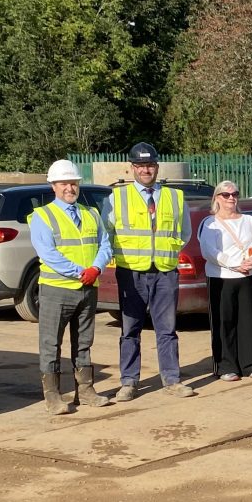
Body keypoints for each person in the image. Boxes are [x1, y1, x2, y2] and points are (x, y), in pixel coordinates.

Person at [103, 142, 195, 401]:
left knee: (167, 329)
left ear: (157, 167)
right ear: (132, 168)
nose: (146, 170)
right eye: (141, 165)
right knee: (130, 329)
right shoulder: (117, 197)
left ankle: (172, 379)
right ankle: (129, 382)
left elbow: (184, 233)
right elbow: (106, 234)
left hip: (165, 271)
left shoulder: (175, 197)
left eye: (150, 165)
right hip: (131, 272)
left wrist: (169, 252)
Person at [30, 160, 113, 414]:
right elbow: (48, 253)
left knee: (84, 341)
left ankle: (85, 390)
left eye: (74, 183)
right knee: (51, 343)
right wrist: (80, 273)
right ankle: (53, 396)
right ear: (53, 186)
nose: (70, 187)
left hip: (88, 288)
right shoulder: (42, 216)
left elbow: (105, 245)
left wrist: (96, 269)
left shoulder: (91, 213)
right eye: (65, 183)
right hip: (57, 289)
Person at [198, 180, 252, 381]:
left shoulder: (248, 220)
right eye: (226, 195)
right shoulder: (209, 223)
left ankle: (249, 364)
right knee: (224, 322)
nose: (231, 198)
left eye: (234, 194)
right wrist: (234, 264)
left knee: (248, 320)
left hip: (249, 276)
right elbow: (209, 251)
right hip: (222, 277)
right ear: (217, 198)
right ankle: (225, 365)